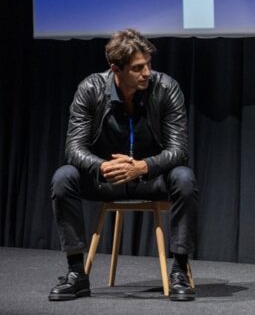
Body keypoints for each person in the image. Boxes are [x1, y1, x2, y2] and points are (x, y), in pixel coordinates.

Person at [49, 29, 198, 301]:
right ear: (115, 69)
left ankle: (179, 270)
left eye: (148, 65)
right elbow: (74, 148)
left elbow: (179, 150)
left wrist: (142, 166)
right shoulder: (91, 88)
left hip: (151, 178)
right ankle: (76, 273)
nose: (147, 73)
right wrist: (102, 167)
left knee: (184, 178)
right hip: (107, 179)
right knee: (63, 177)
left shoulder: (166, 88)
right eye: (138, 68)